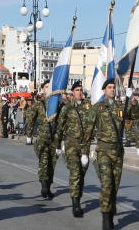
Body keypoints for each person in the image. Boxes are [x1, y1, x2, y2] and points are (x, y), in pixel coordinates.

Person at [85, 78, 139, 230]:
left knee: (115, 185)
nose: (112, 89)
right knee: (107, 184)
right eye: (109, 87)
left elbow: (136, 116)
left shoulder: (120, 106)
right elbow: (88, 130)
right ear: (104, 90)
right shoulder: (97, 108)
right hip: (103, 151)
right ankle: (106, 219)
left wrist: (133, 101)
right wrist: (84, 153)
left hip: (117, 152)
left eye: (113, 87)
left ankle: (110, 209)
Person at [55, 81, 91, 217]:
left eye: (81, 90)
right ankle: (75, 204)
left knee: (81, 174)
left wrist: (86, 152)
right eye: (77, 90)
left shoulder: (89, 107)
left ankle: (78, 197)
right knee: (75, 172)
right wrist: (58, 145)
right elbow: (60, 126)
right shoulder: (67, 108)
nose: (80, 92)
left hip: (84, 146)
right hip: (71, 145)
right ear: (72, 92)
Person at [26, 80, 58, 199]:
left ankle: (48, 186)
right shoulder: (39, 104)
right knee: (44, 160)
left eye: (50, 87)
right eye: (46, 87)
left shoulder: (57, 103)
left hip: (54, 137)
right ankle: (44, 184)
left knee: (52, 163)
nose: (48, 89)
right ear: (43, 89)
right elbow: (30, 119)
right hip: (42, 136)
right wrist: (29, 135)